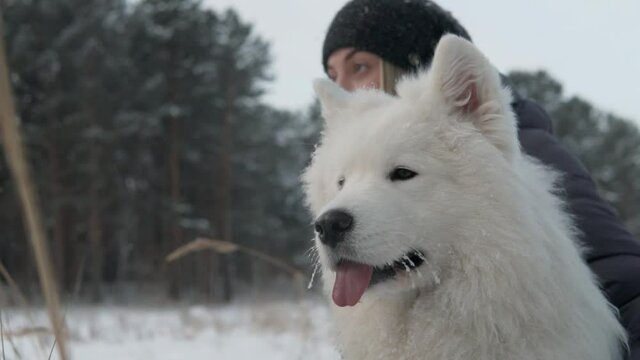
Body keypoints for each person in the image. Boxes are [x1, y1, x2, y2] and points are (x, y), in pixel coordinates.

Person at [321, 0, 640, 358]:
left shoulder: (514, 152)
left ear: (417, 65)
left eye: (359, 67)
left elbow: (624, 278)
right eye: (334, 76)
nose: (347, 89)